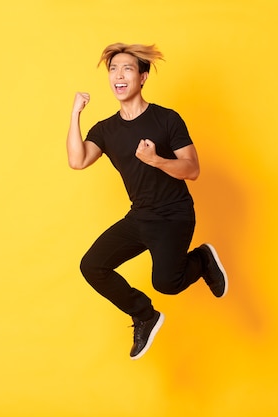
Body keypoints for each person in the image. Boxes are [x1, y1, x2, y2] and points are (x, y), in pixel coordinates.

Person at [66, 42, 228, 360]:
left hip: (174, 214)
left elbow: (192, 169)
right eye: (113, 70)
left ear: (142, 77)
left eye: (127, 68)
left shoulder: (166, 120)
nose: (118, 75)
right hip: (140, 216)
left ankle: (202, 260)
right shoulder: (106, 129)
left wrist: (157, 161)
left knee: (166, 284)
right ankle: (144, 315)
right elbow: (78, 160)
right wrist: (75, 114)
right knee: (92, 266)